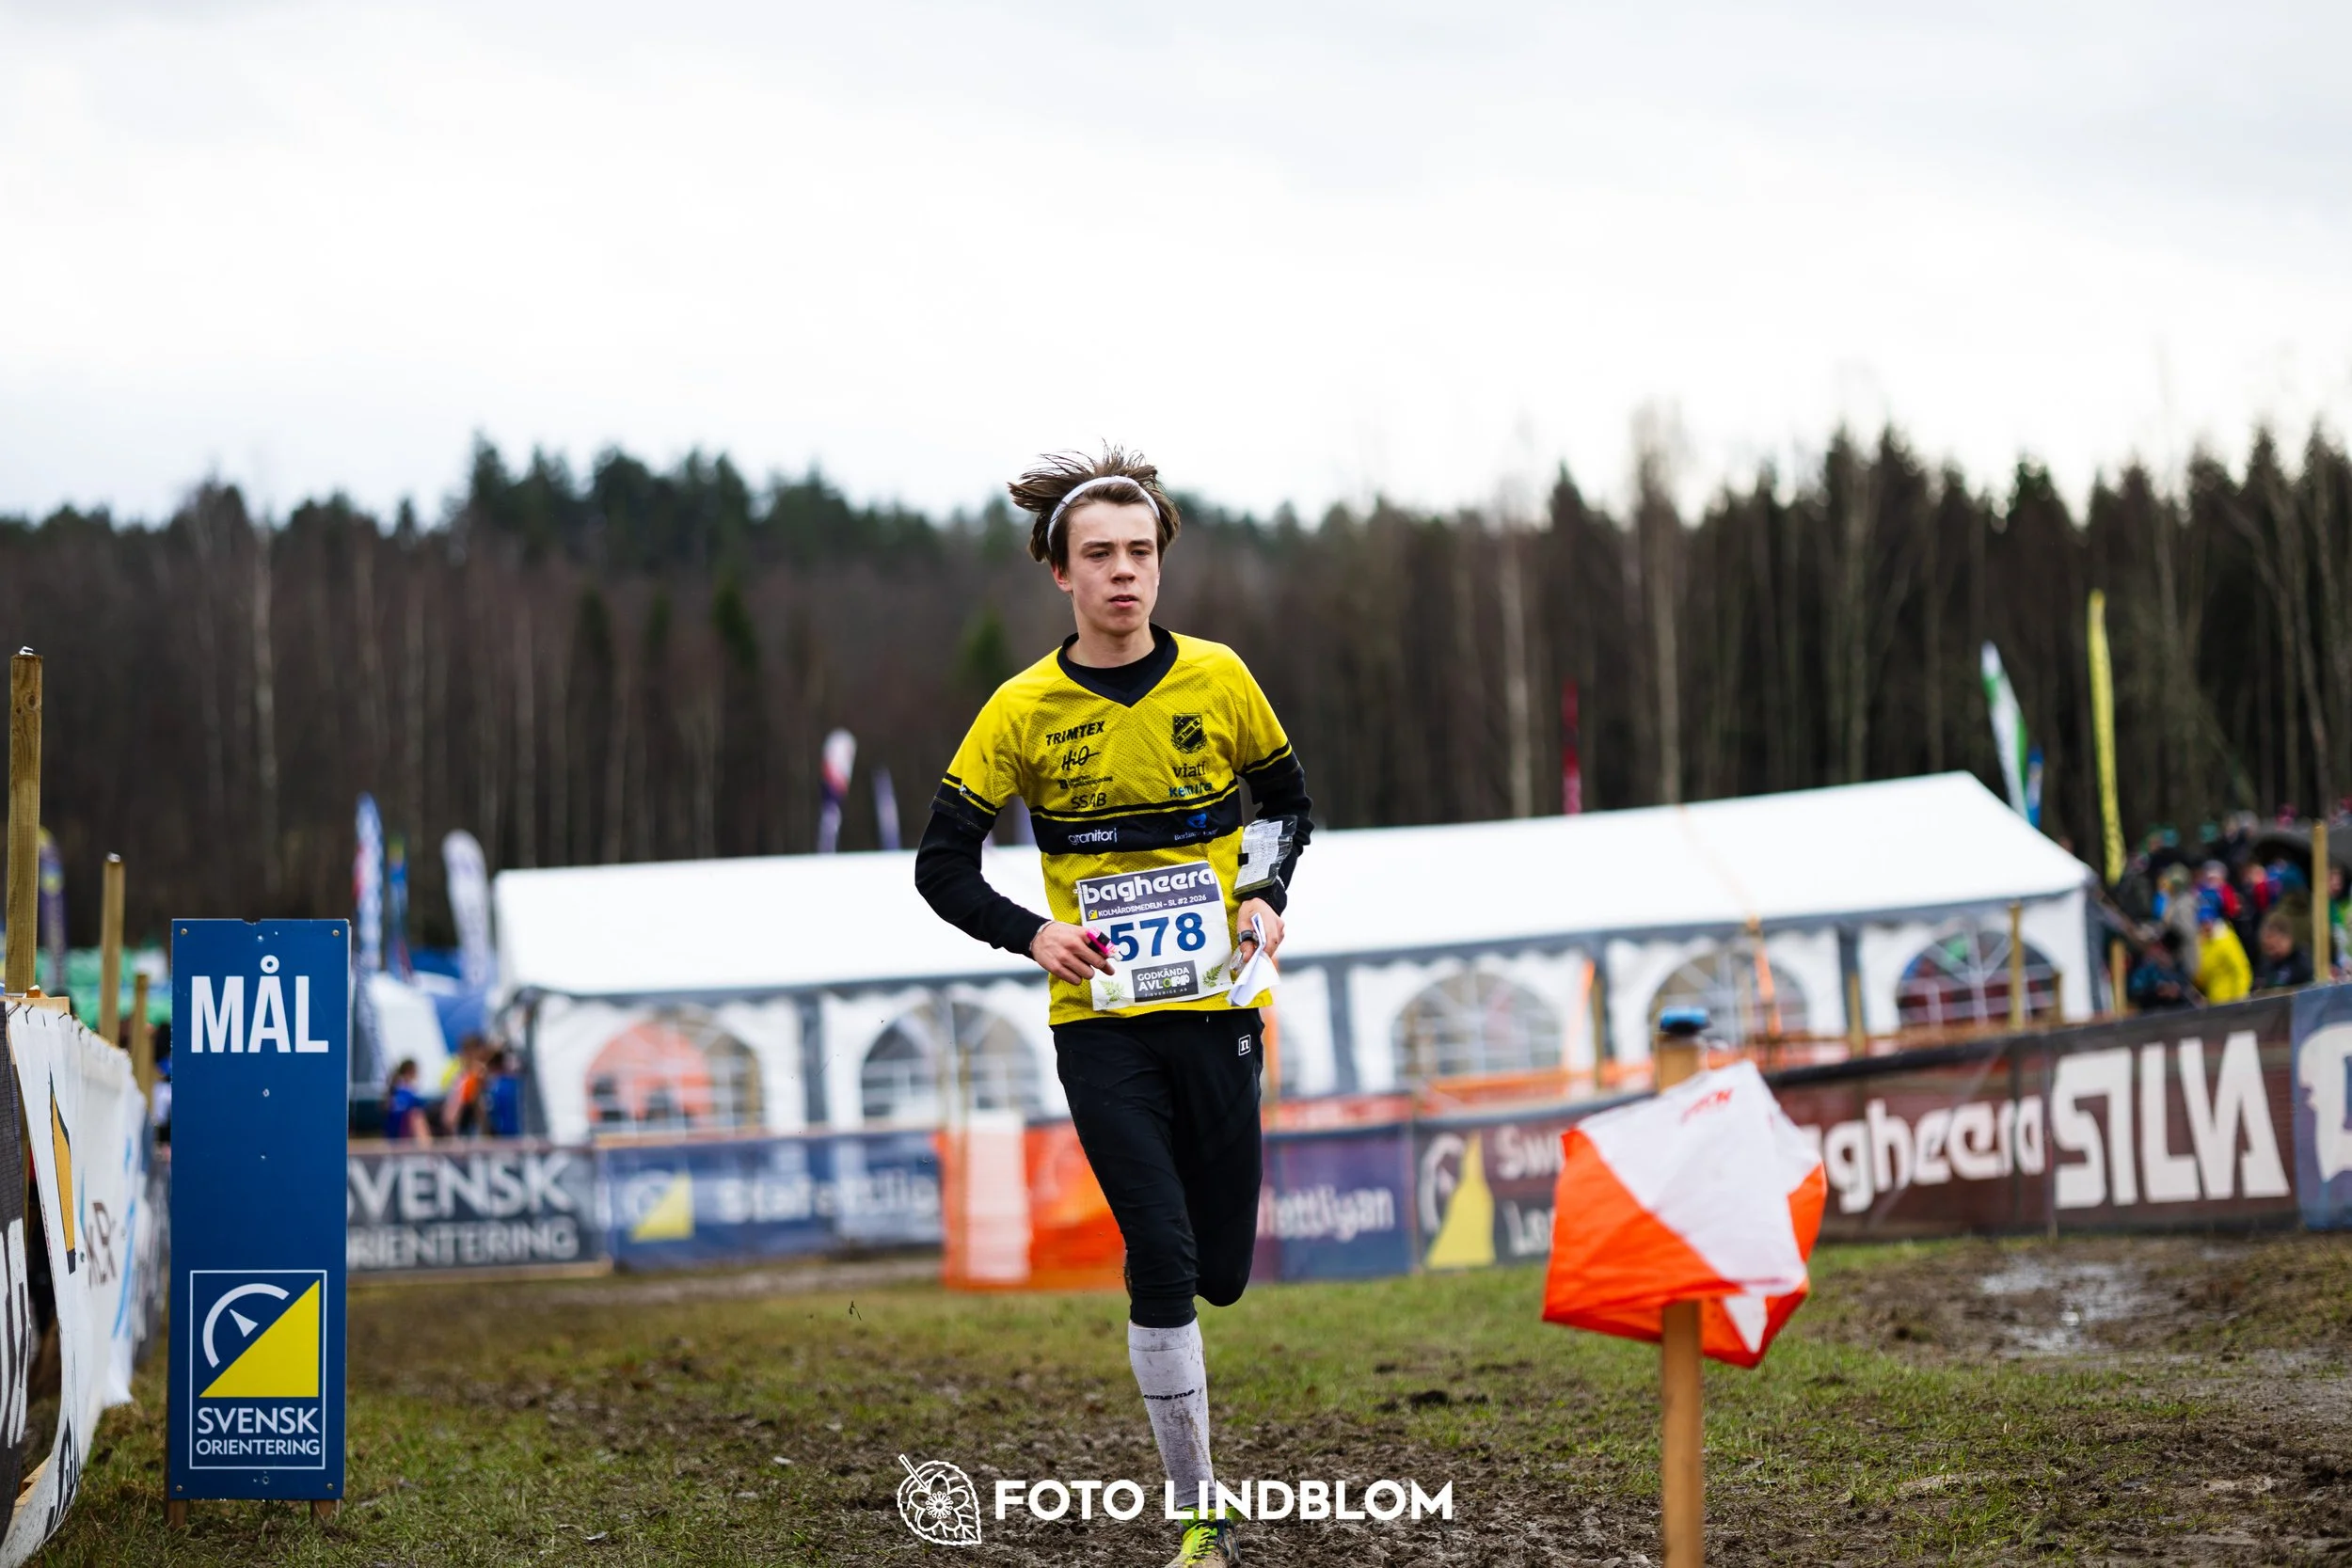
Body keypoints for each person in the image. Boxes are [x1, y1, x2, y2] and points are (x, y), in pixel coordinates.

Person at [914, 446, 1311, 1568]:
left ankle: (1194, 1423)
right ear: (1060, 573)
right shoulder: (1022, 708)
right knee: (1158, 1246)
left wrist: (1263, 892)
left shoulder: (1221, 678)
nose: (1124, 574)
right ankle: (1199, 1514)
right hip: (1100, 1028)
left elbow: (1287, 804)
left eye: (1140, 552)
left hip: (1217, 1009)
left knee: (1218, 1270)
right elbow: (941, 864)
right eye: (1100, 555)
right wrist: (1032, 932)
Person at [2194, 906, 2250, 1004]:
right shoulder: (2203, 944)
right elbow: (2203, 976)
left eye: (2207, 922)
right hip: (2215, 1000)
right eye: (2202, 923)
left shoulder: (2225, 939)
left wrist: (2240, 997)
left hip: (2231, 999)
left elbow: (2240, 968)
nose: (2205, 926)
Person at [2127, 928, 2195, 1011]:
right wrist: (2157, 991)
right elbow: (2135, 990)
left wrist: (2177, 991)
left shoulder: (2178, 967)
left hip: (2177, 1012)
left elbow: (2186, 987)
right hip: (2154, 1013)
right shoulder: (2147, 968)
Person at [2252, 913, 2315, 991]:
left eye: (2273, 947)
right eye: (2267, 947)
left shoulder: (2301, 963)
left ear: (2287, 939)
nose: (2271, 952)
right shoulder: (2265, 964)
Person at [385, 1058, 432, 1142]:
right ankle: (427, 1149)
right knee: (417, 1116)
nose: (418, 1075)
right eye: (416, 1072)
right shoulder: (407, 1094)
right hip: (402, 1139)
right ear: (410, 1072)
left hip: (393, 1138)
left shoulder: (395, 1091)